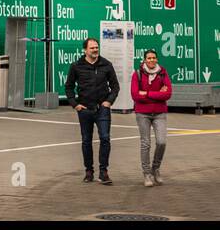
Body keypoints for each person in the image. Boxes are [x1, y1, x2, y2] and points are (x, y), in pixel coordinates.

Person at [64, 37, 119, 185]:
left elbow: (115, 86)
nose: (95, 50)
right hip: (85, 110)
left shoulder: (106, 64)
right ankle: (89, 171)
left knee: (105, 138)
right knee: (86, 141)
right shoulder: (76, 66)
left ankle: (103, 171)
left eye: (96, 47)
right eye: (92, 48)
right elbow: (69, 86)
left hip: (102, 109)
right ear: (85, 50)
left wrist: (109, 101)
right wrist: (74, 104)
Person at [131, 49, 172, 187]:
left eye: (154, 58)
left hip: (160, 113)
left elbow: (168, 94)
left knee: (162, 142)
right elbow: (135, 95)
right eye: (149, 58)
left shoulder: (163, 72)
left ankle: (156, 168)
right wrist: (156, 94)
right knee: (145, 143)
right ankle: (147, 174)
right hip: (142, 113)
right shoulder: (137, 74)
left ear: (157, 59)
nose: (151, 60)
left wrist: (147, 93)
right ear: (144, 60)